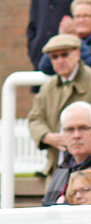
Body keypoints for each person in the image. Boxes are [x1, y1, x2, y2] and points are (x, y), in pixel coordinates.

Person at [28, 34, 91, 179]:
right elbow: (34, 119)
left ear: (78, 54)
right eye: (54, 57)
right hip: (57, 166)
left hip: (87, 167)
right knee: (53, 201)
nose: (60, 61)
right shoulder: (48, 88)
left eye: (64, 55)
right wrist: (47, 136)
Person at [42, 102, 91, 205]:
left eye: (83, 128)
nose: (76, 135)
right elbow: (46, 213)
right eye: (70, 129)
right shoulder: (60, 173)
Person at [39, 0, 91, 74]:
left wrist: (74, 39)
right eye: (77, 16)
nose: (81, 20)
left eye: (86, 16)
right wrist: (62, 39)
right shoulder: (68, 37)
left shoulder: (73, 38)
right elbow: (45, 67)